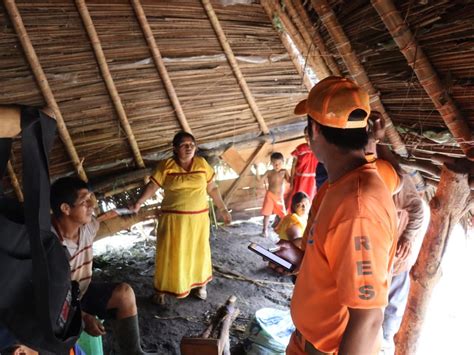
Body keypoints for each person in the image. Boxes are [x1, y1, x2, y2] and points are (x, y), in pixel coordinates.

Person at [277, 76, 398, 354]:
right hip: (306, 342)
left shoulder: (357, 208)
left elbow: (368, 318)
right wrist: (302, 261)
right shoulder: (340, 185)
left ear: (314, 131)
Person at [50, 177, 154, 355]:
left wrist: (128, 210)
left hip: (80, 293)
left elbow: (104, 217)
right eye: (84, 201)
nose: (92, 205)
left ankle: (134, 352)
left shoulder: (87, 228)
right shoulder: (47, 243)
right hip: (54, 304)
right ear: (65, 208)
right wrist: (82, 318)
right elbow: (46, 297)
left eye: (91, 198)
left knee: (124, 294)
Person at [130, 132, 231, 304]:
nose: (189, 147)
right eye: (184, 145)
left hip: (198, 221)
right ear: (175, 149)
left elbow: (212, 188)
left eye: (192, 144)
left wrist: (223, 209)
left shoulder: (202, 164)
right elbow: (153, 185)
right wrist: (139, 203)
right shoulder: (166, 166)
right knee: (171, 253)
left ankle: (200, 285)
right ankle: (162, 289)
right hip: (173, 221)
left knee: (198, 251)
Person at [256, 152, 290, 237]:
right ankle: (265, 230)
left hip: (279, 197)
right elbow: (259, 180)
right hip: (270, 195)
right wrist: (257, 169)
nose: (277, 165)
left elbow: (290, 181)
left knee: (283, 215)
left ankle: (285, 230)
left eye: (279, 163)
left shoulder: (284, 171)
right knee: (266, 214)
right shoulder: (269, 172)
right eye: (275, 164)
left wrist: (293, 167)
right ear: (271, 163)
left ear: (283, 162)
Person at [286, 127, 318, 210]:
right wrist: (292, 180)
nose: (307, 137)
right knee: (298, 200)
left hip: (313, 181)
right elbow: (293, 165)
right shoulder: (300, 149)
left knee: (311, 200)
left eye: (309, 135)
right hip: (300, 180)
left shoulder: (319, 148)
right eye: (305, 135)